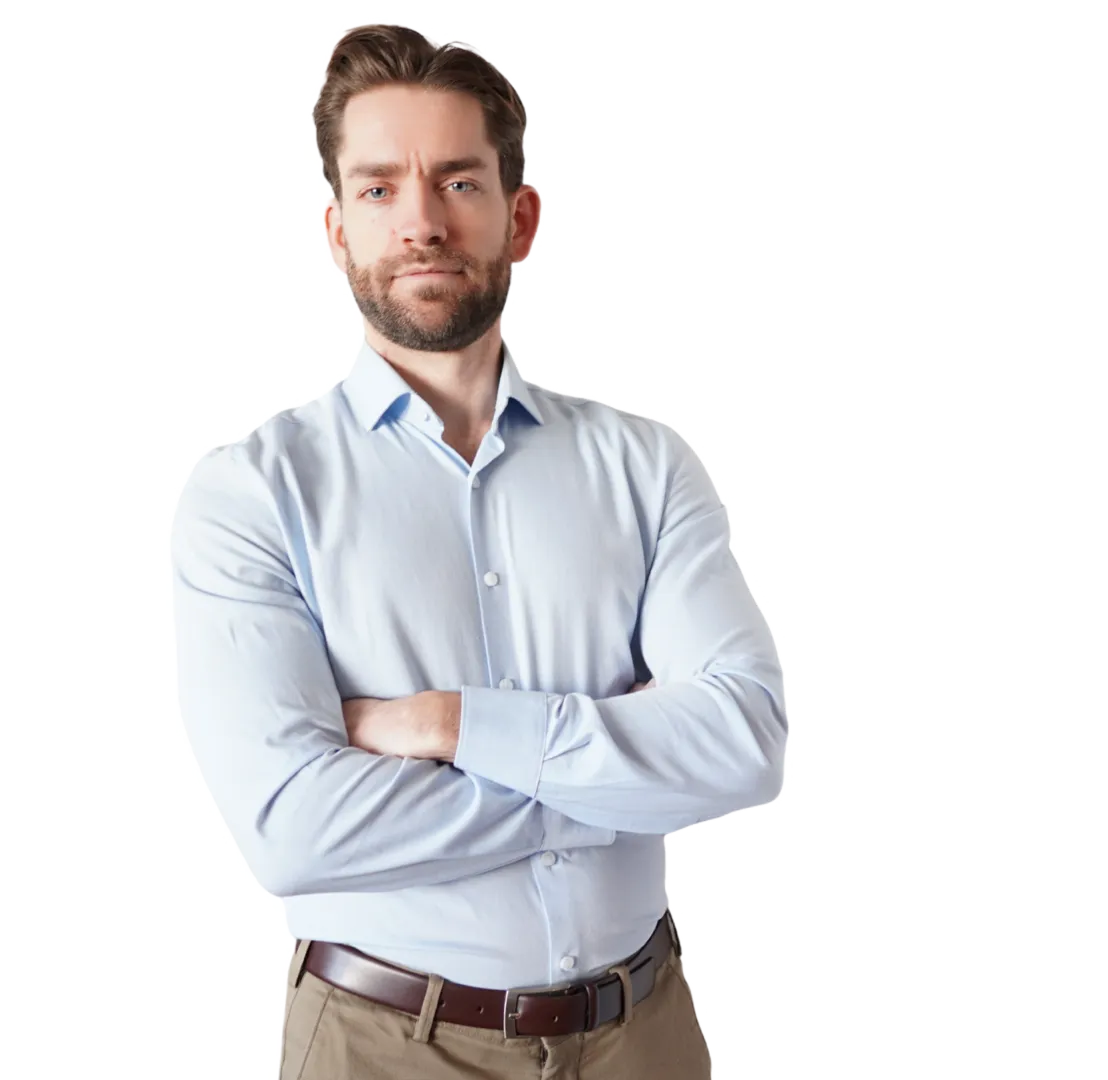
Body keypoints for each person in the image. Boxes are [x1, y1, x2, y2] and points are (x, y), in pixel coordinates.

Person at [169, 21, 788, 1080]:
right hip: (382, 1044)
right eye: (379, 189)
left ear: (522, 216)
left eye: (457, 182)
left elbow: (743, 745)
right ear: (336, 229)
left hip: (645, 1033)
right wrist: (615, 774)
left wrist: (446, 726)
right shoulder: (248, 495)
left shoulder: (646, 467)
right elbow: (291, 830)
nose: (421, 222)